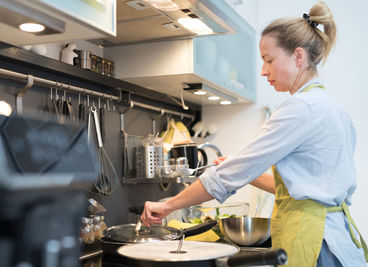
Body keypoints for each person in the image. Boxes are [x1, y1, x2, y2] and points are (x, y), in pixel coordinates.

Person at [141, 1, 367, 266]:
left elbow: (227, 178)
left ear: (298, 56)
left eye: (268, 60)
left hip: (314, 242)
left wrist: (168, 206)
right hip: (339, 241)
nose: (263, 71)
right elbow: (301, 189)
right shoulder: (332, 108)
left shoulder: (299, 108)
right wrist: (248, 173)